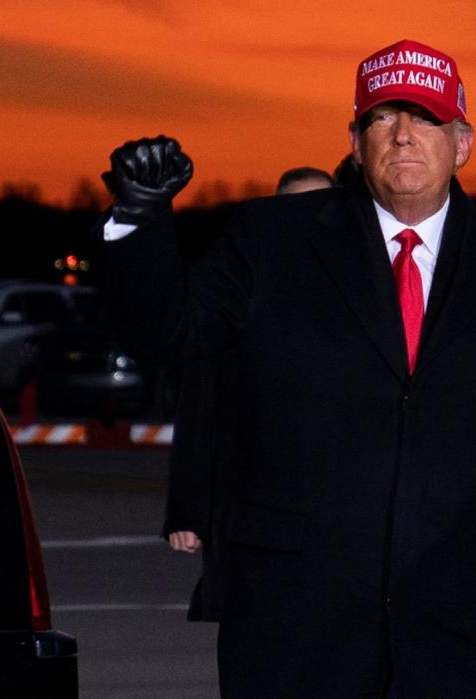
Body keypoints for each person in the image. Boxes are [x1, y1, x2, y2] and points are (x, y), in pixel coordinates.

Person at [98, 38, 476, 698]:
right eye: (381, 118)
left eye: (424, 117)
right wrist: (138, 218)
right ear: (355, 139)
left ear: (464, 142)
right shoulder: (269, 240)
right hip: (289, 626)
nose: (401, 136)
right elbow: (168, 330)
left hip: (452, 627)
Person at [162, 165, 338, 621]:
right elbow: (201, 407)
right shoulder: (239, 290)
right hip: (253, 512)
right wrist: (187, 509)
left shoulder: (367, 294)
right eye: (294, 207)